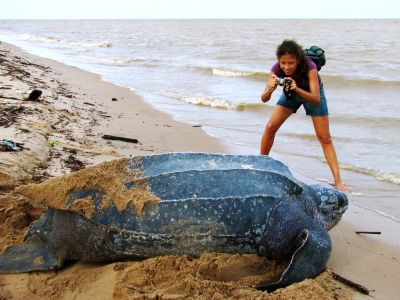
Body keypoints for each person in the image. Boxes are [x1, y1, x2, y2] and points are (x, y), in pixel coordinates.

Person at [260, 39, 349, 192]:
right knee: (270, 127)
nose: (286, 67)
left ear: (298, 60)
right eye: (283, 63)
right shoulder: (276, 69)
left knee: (324, 138)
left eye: (291, 63)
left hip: (312, 94)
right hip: (291, 93)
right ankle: (261, 168)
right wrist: (270, 89)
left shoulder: (310, 66)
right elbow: (264, 99)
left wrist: (297, 88)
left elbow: (315, 98)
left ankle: (338, 182)